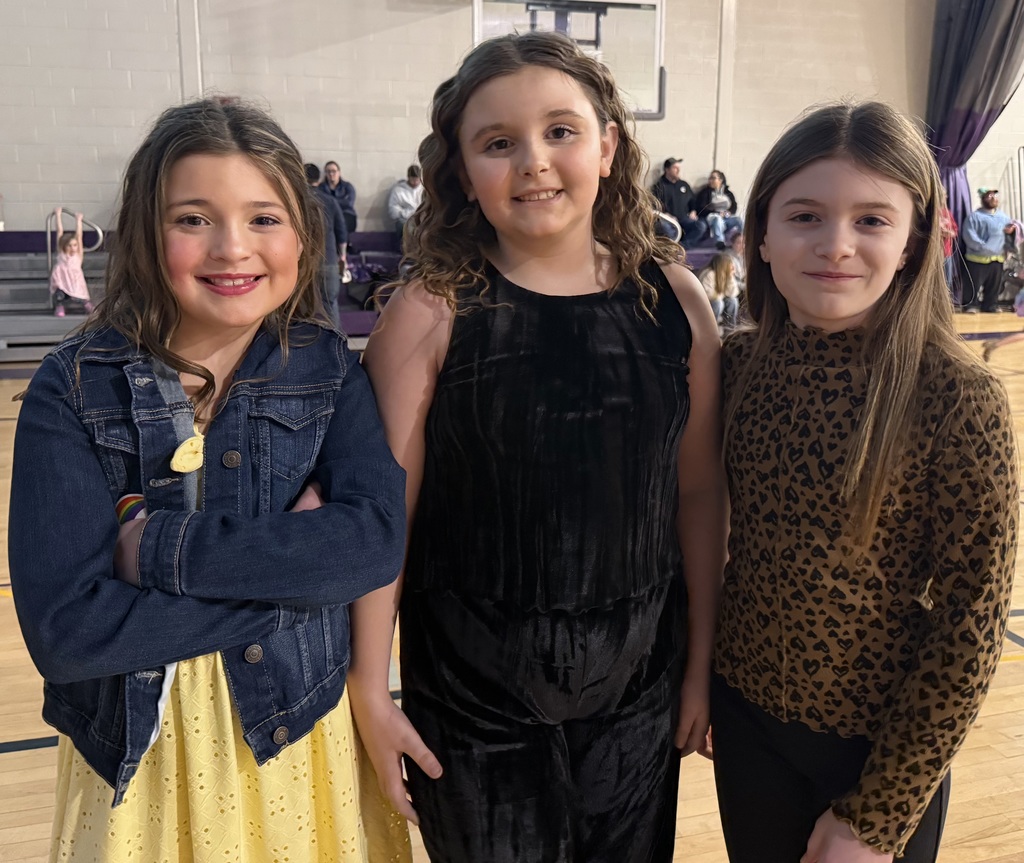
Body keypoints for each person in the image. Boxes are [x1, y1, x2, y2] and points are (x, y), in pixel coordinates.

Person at [350, 30, 726, 863]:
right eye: (498, 143)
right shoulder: (431, 310)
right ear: (459, 168)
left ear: (608, 144)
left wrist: (698, 660)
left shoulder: (675, 300)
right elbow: (384, 513)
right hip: (474, 697)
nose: (534, 162)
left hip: (639, 685)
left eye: (560, 131)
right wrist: (369, 689)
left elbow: (697, 493)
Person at [9, 98, 411, 862]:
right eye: (193, 218)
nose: (233, 248)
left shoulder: (325, 371)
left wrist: (157, 554)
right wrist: (298, 582)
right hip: (143, 764)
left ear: (301, 234)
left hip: (300, 738)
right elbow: (69, 633)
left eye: (263, 218)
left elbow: (373, 545)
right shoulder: (74, 386)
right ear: (144, 233)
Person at [713, 101, 1018, 863]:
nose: (836, 246)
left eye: (872, 221)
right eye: (806, 216)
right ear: (763, 235)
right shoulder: (736, 367)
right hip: (748, 727)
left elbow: (970, 626)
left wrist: (876, 818)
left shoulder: (958, 401)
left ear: (916, 241)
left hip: (879, 753)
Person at [306, 161, 348, 325]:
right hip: (329, 259)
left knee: (305, 311)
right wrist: (343, 257)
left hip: (305, 263)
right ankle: (335, 346)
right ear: (319, 178)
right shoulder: (330, 201)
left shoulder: (298, 200)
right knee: (330, 305)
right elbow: (342, 232)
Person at [961, 187, 1016, 312]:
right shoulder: (974, 217)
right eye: (989, 196)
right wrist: (984, 248)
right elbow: (969, 235)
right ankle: (971, 305)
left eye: (994, 196)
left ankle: (990, 305)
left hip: (997, 258)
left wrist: (1011, 234)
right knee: (973, 285)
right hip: (977, 258)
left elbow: (1009, 235)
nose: (993, 198)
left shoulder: (1004, 217)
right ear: (983, 199)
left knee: (994, 285)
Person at [651, 156, 708, 248]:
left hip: (685, 219)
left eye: (679, 168)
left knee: (701, 226)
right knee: (665, 227)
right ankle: (672, 248)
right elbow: (654, 205)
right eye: (675, 168)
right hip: (669, 220)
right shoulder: (659, 186)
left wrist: (693, 211)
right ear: (667, 170)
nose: (678, 170)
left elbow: (693, 201)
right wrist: (666, 215)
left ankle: (682, 247)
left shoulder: (684, 184)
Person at [49, 207, 94, 317]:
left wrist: (78, 220)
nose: (73, 248)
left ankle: (88, 305)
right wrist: (58, 215)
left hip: (74, 280)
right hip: (62, 279)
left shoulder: (78, 255)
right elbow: (59, 232)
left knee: (80, 295)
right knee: (59, 294)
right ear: (64, 246)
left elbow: (79, 236)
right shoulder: (62, 254)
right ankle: (60, 307)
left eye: (74, 245)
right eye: (70, 245)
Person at [694, 169, 743, 248]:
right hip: (712, 216)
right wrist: (718, 213)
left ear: (720, 180)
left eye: (713, 178)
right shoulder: (705, 192)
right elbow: (702, 208)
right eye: (710, 178)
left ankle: (743, 240)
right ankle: (720, 243)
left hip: (726, 217)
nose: (710, 180)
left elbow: (734, 206)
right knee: (718, 219)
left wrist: (728, 213)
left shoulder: (728, 193)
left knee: (738, 220)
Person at [698, 251, 739, 327]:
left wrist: (730, 278)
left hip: (720, 299)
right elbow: (707, 295)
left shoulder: (726, 274)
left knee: (733, 301)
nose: (732, 266)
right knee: (718, 303)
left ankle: (730, 329)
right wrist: (720, 296)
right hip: (707, 304)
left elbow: (733, 294)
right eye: (730, 264)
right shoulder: (709, 273)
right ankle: (711, 328)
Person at [386, 164, 423, 242]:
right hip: (405, 219)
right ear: (408, 178)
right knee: (403, 226)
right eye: (413, 180)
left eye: (417, 180)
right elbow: (393, 210)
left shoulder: (424, 190)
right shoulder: (398, 190)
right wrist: (407, 213)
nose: (415, 182)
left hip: (422, 218)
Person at [321, 160, 358, 234]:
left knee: (342, 221)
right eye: (328, 171)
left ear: (339, 172)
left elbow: (349, 203)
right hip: (328, 216)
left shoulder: (347, 187)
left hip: (346, 214)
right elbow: (320, 204)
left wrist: (331, 202)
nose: (331, 174)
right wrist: (340, 201)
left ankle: (344, 243)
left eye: (334, 171)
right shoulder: (321, 188)